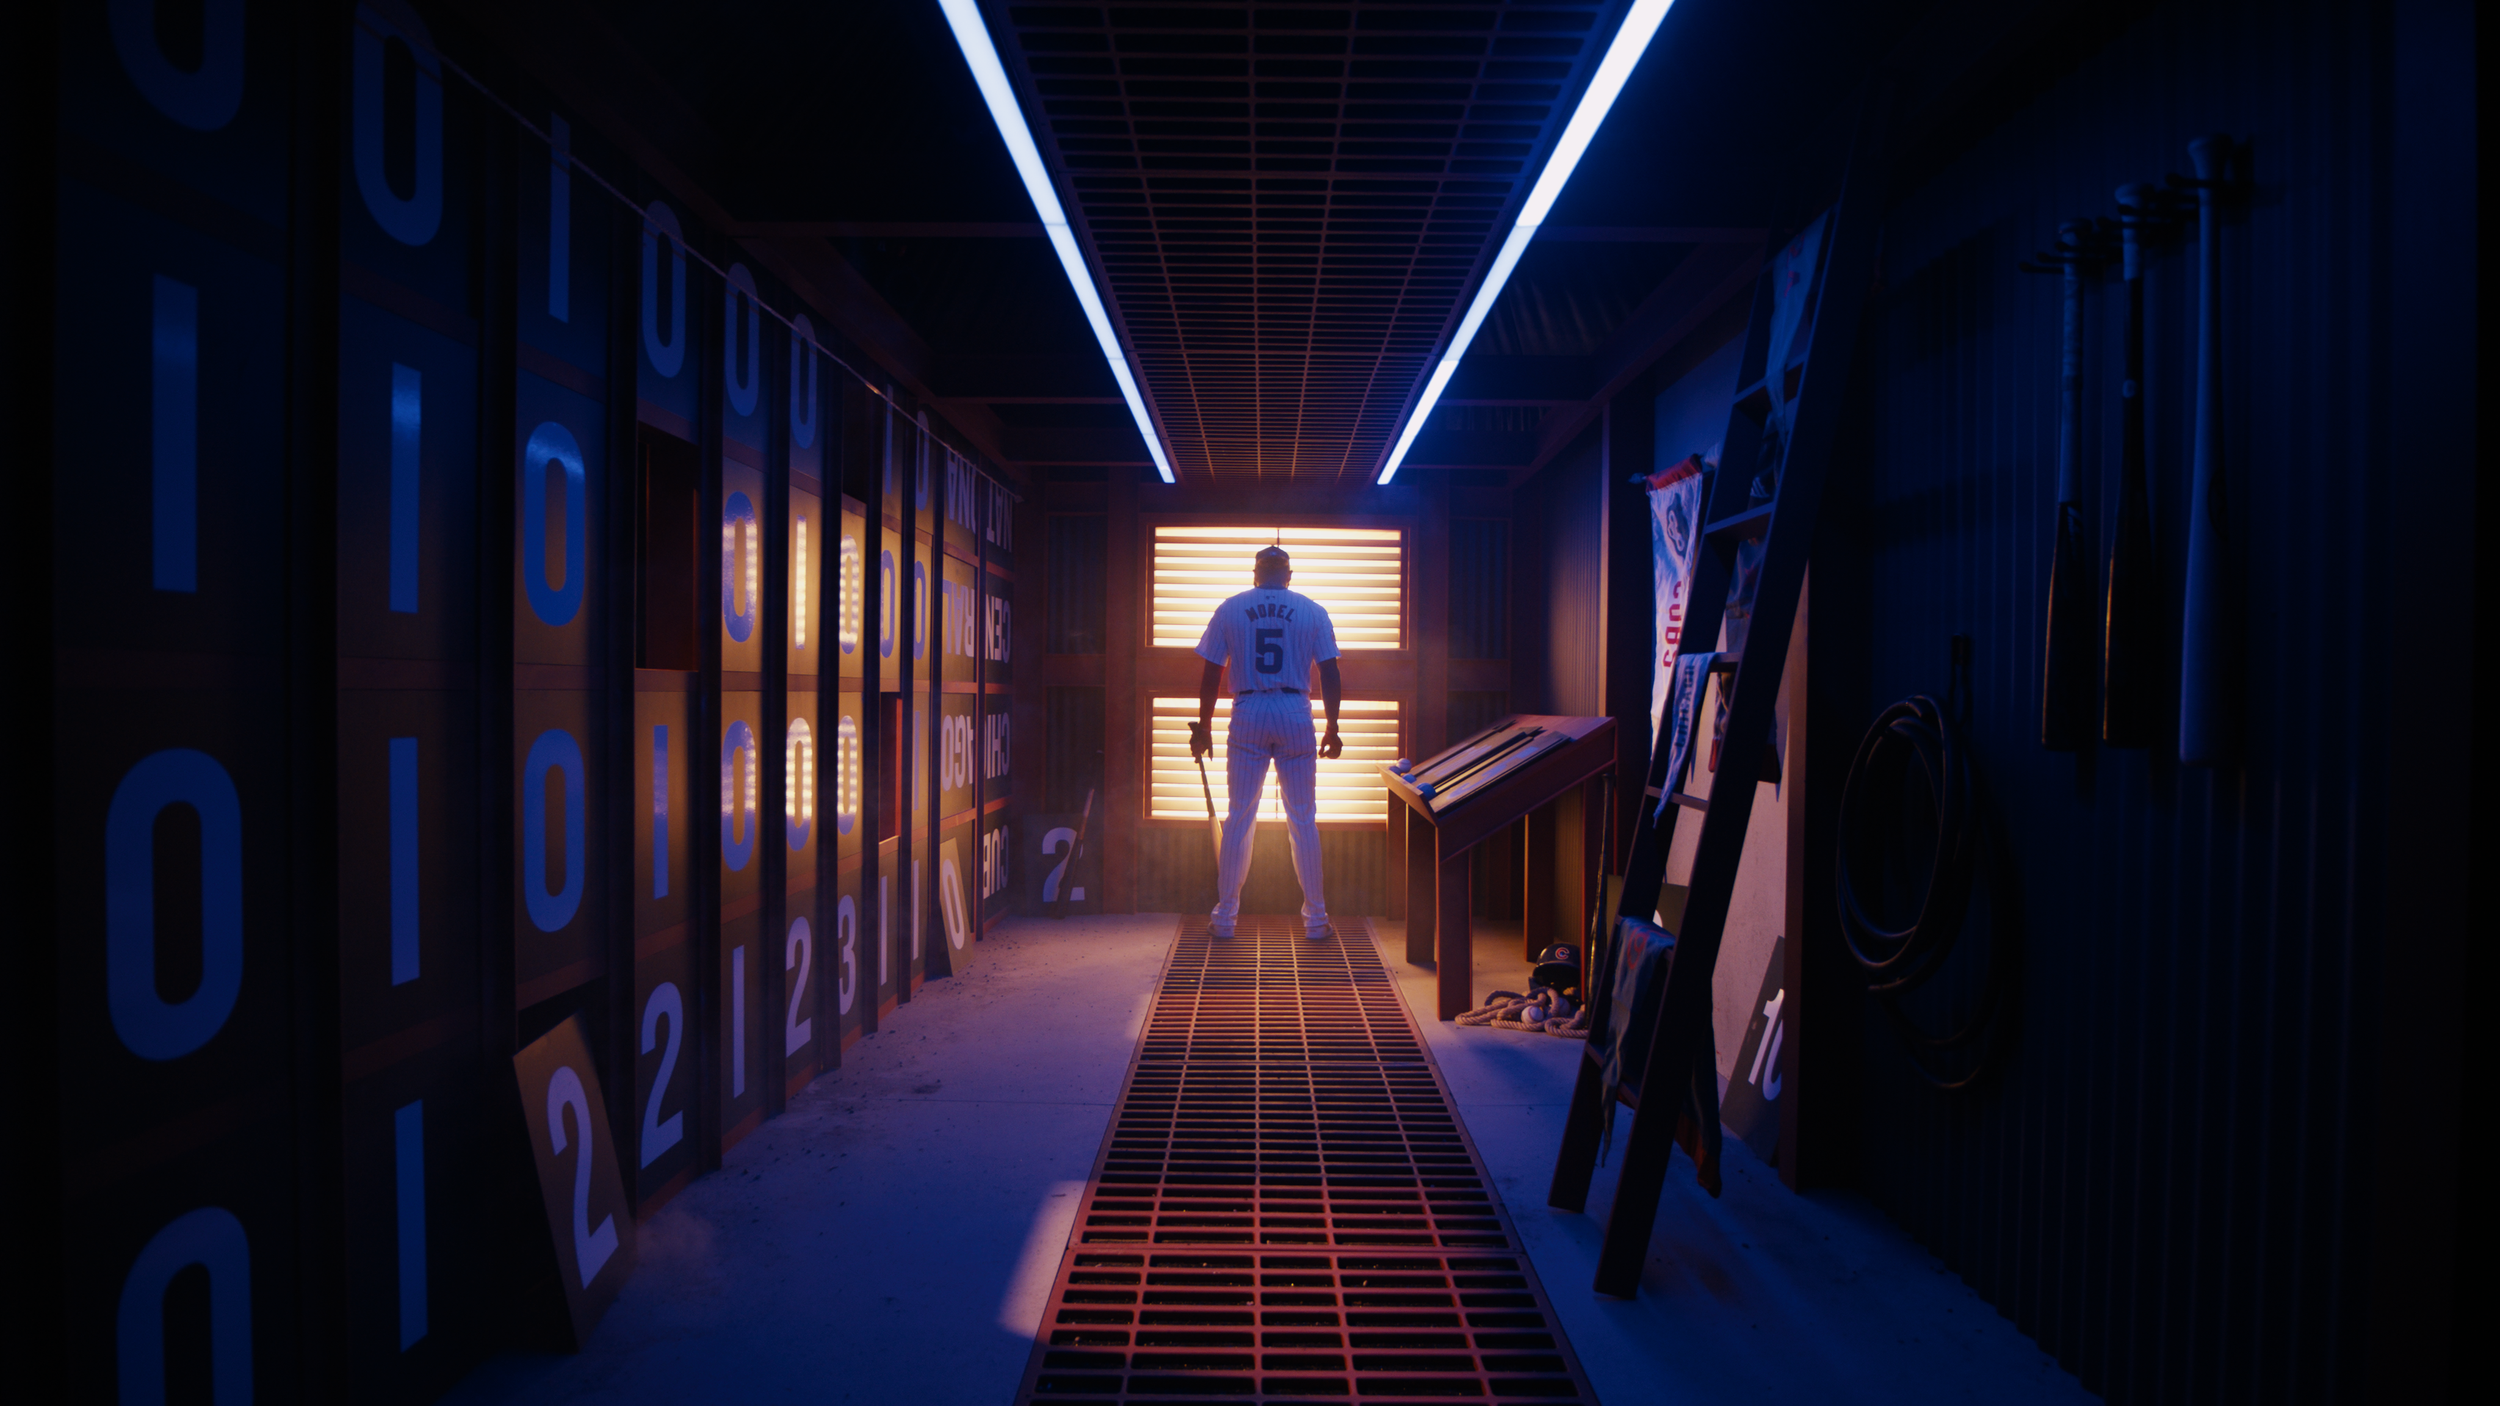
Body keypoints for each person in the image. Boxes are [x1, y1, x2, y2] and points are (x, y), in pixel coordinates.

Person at [1190, 545, 1342, 940]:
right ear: (1289, 576)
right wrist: (1333, 726)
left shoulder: (1230, 608)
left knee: (1239, 816)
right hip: (1295, 708)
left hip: (1249, 708)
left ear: (1255, 575)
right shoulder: (1312, 610)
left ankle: (1225, 918)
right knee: (1303, 818)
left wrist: (1204, 726)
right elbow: (1329, 671)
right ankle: (1317, 920)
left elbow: (1210, 674)